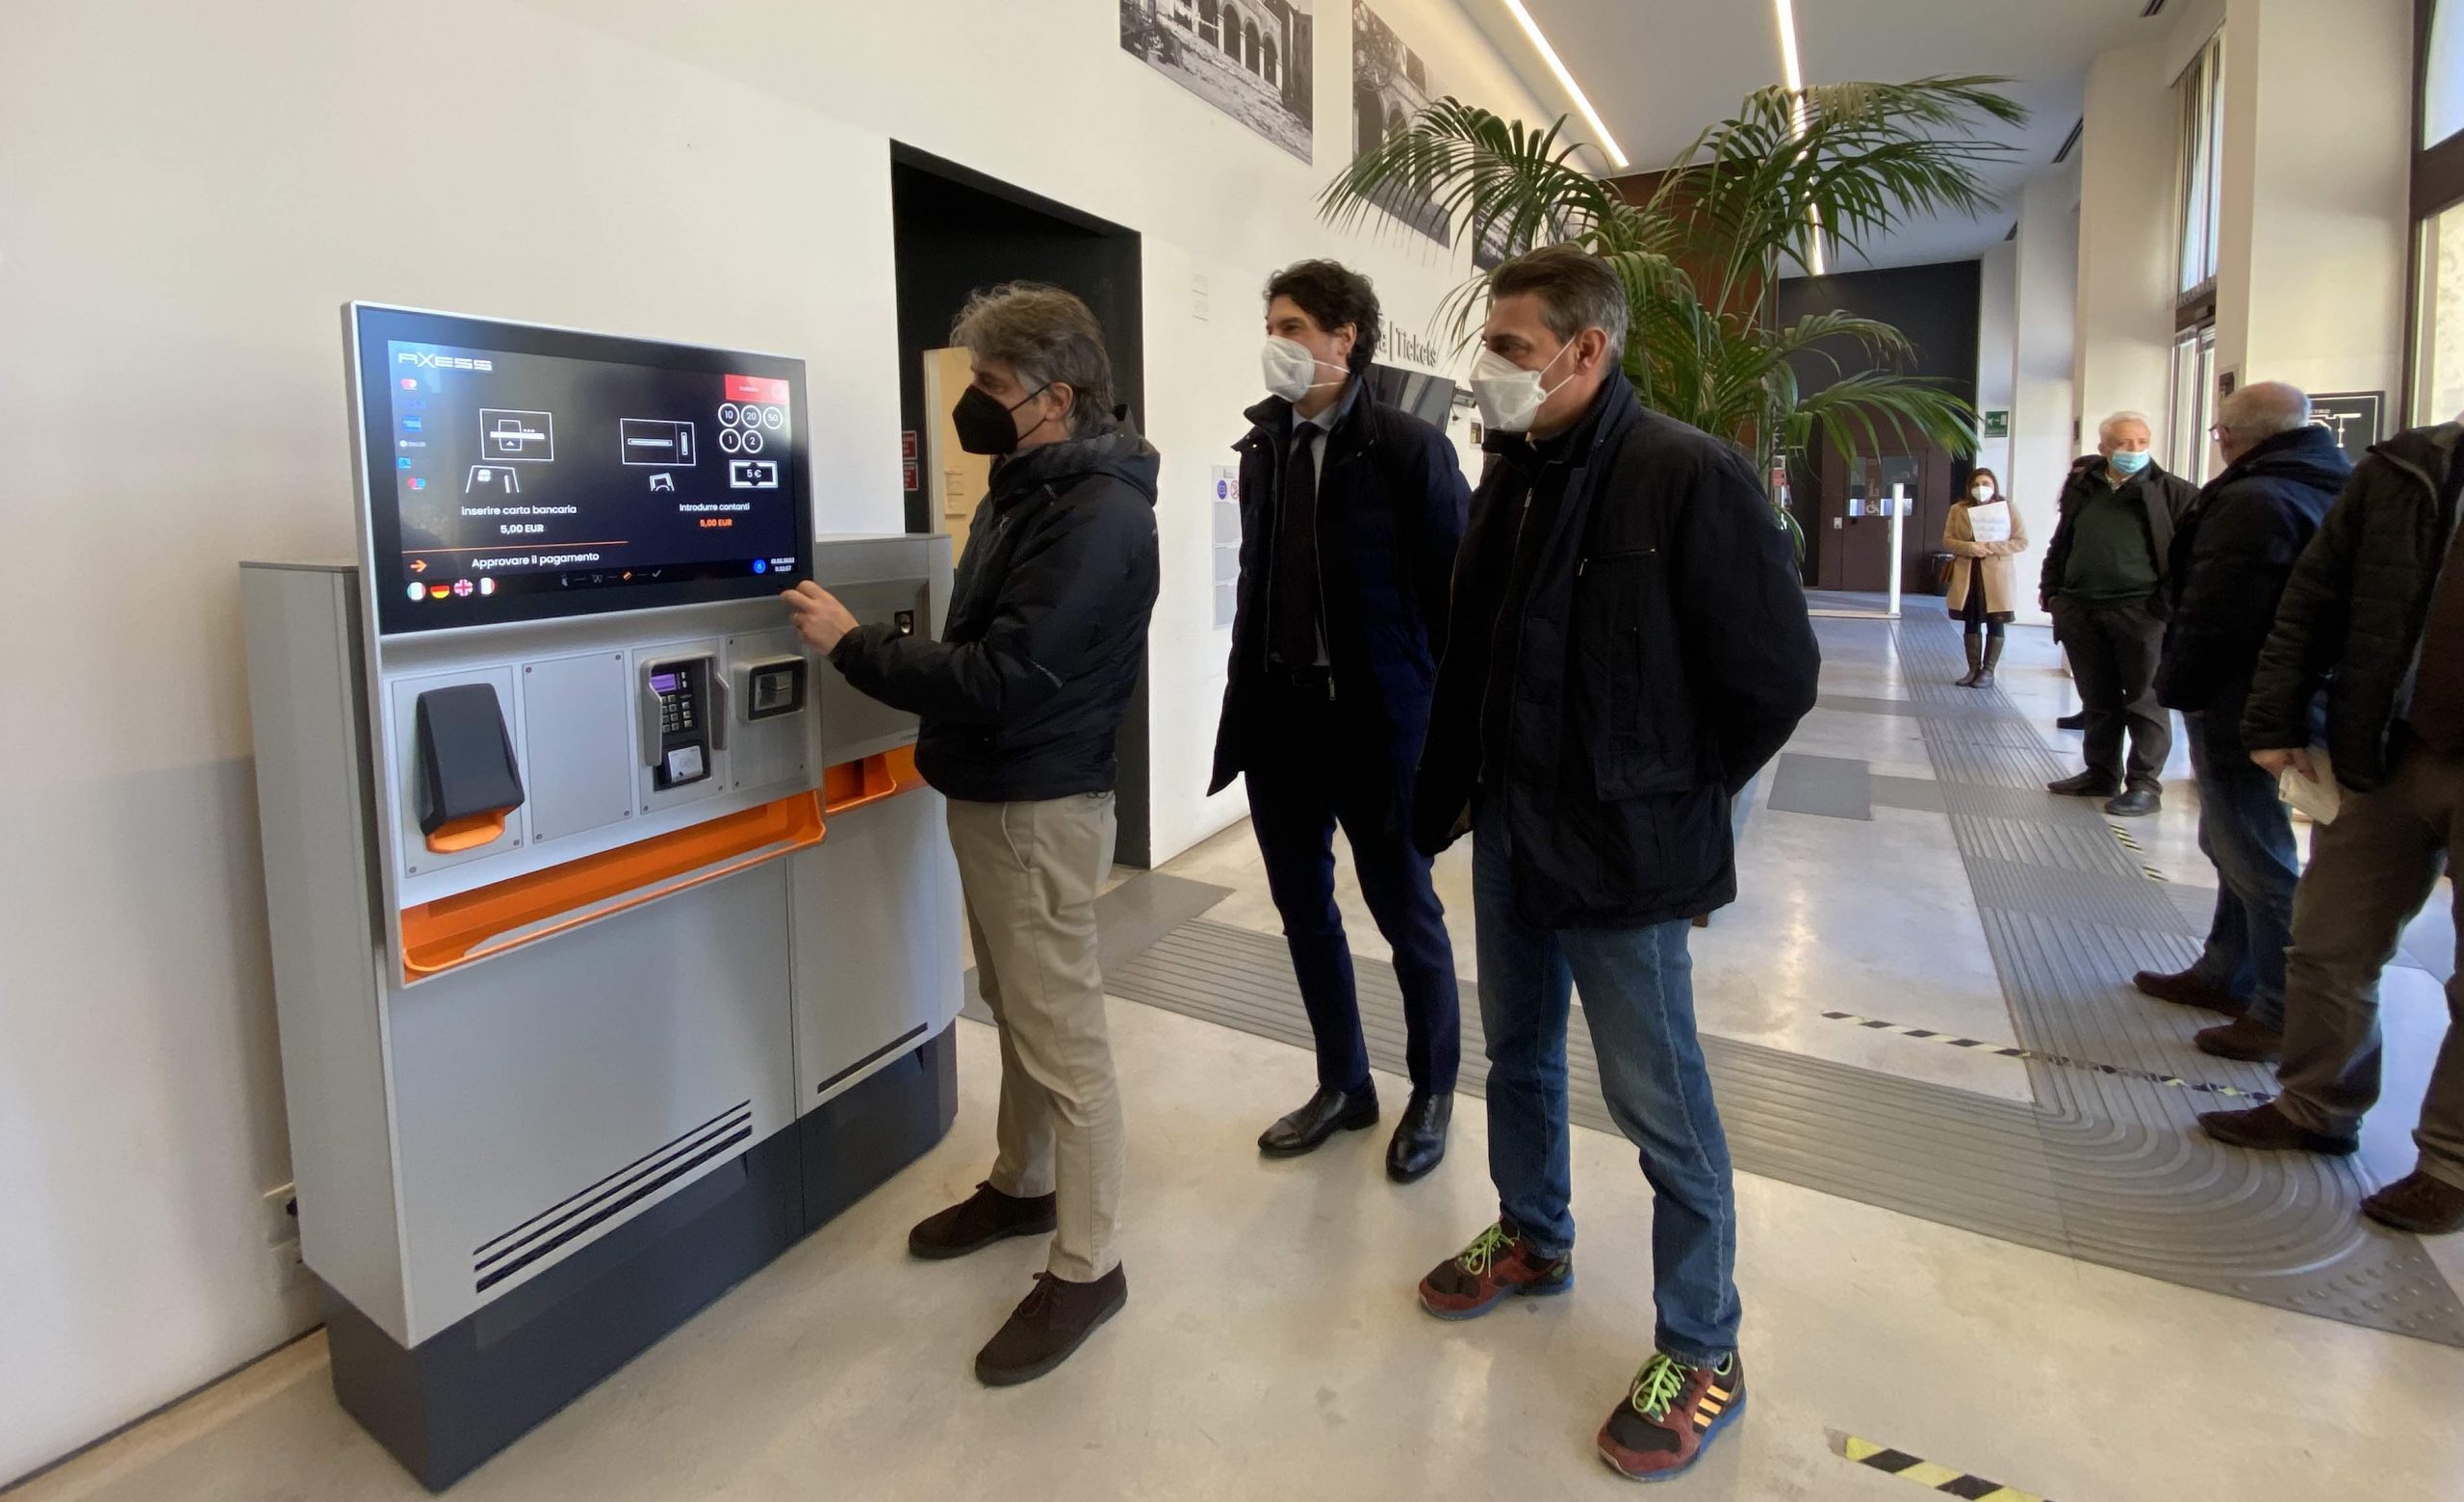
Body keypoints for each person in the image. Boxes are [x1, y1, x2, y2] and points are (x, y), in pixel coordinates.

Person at [1407, 246, 1820, 1481]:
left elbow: (1772, 680)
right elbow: (1475, 656)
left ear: (1587, 350)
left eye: (1511, 348)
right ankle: (1534, 1234)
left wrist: (1668, 792)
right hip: (1512, 833)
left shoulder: (1684, 474)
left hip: (1621, 855)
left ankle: (1703, 1346)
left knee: (1659, 1103)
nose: (1489, 367)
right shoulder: (1512, 474)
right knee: (1517, 1056)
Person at [782, 283, 1162, 1380]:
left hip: (1037, 808)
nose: (974, 404)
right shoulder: (1029, 490)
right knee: (1018, 1009)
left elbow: (1006, 673)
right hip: (995, 795)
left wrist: (854, 645)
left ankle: (1089, 1267)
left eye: (992, 385)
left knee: (1065, 1042)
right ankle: (1023, 1186)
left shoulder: (1096, 514)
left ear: (1057, 397)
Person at [1211, 260, 1470, 1180]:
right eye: (1271, 329)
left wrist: (1439, 728)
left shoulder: (1408, 449)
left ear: (1344, 337)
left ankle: (1433, 1091)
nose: (1276, 345)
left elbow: (1457, 604)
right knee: (1304, 913)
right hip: (1281, 721)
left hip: (1377, 726)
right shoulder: (1264, 447)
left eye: (1292, 328)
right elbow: (1259, 585)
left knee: (1406, 913)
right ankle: (1344, 1083)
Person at [2199, 415, 2464, 1237]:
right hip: (2392, 746)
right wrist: (2275, 717)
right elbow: (2317, 593)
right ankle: (2316, 1105)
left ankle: (2450, 1165)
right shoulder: (2409, 467)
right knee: (2329, 940)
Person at [2134, 383, 2348, 1062]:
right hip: (2286, 694)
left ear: (2230, 435)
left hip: (2244, 698)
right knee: (2232, 842)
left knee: (2254, 853)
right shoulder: (2331, 482)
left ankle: (2281, 1011)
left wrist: (2184, 687)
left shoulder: (2257, 500)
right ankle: (2227, 969)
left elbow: (2219, 613)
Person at [2038, 411, 2198, 816]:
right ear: (2104, 447)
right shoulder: (2083, 488)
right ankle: (2100, 773)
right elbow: (2063, 541)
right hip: (2082, 608)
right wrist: (2052, 593)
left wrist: (2162, 608)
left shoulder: (2174, 492)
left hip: (2141, 613)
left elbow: (2189, 559)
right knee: (2097, 698)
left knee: (2145, 700)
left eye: (2141, 442)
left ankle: (2144, 784)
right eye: (2124, 443)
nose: (2134, 450)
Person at [1942, 466, 2028, 687]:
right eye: (1976, 484)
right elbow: (1948, 540)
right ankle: (1973, 669)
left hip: (1997, 574)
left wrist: (1991, 546)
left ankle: (1988, 671)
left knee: (1995, 621)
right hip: (1968, 572)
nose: (1981, 488)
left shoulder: (2006, 508)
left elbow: (2021, 541)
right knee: (1971, 621)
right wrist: (1970, 547)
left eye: (1986, 484)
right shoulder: (1958, 509)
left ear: (1994, 486)